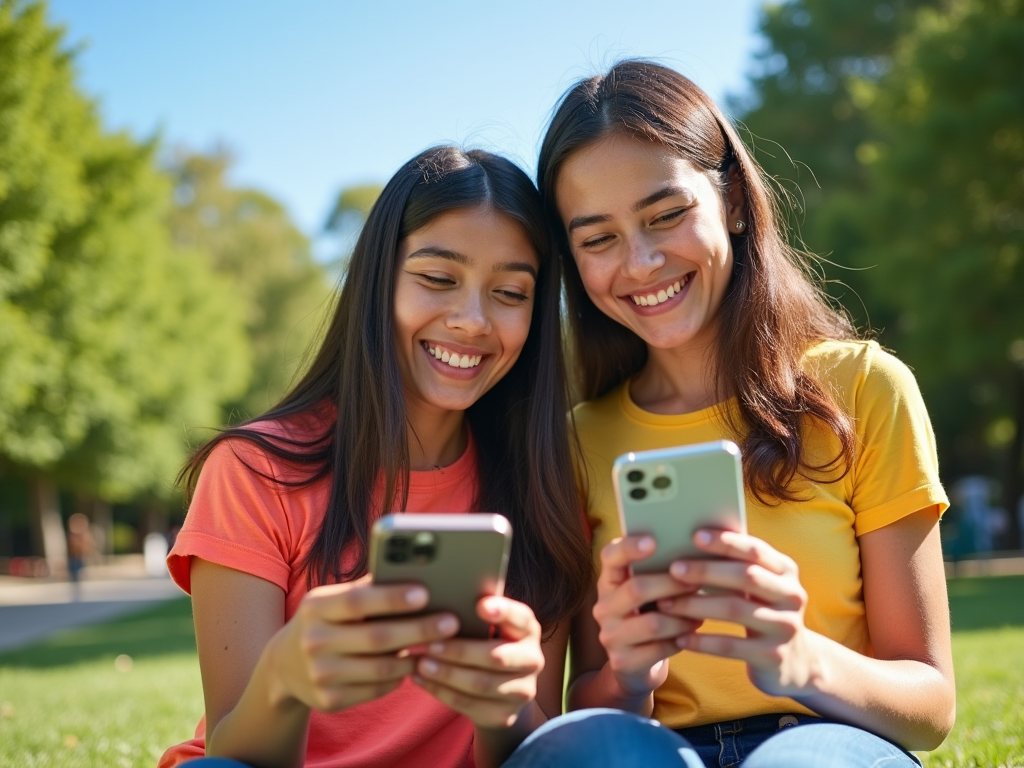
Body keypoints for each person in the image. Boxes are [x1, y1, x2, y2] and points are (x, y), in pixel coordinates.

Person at [503, 60, 955, 767]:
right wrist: (627, 675)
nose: (643, 261)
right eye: (598, 239)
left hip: (822, 743)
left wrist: (801, 659)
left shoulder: (866, 387)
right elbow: (571, 727)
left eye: (667, 214)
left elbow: (930, 705)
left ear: (735, 201)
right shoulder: (577, 441)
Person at [158, 146, 592, 768]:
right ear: (376, 283)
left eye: (510, 292)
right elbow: (237, 754)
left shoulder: (539, 487)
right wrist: (286, 675)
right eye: (438, 279)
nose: (472, 321)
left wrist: (505, 702)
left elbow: (524, 758)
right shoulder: (254, 470)